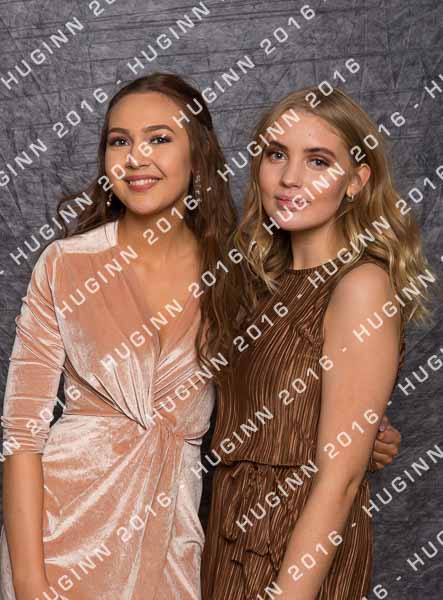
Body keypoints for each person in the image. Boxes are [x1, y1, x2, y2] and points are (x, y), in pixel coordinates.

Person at [0, 73, 402, 600]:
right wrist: (29, 582)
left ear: (198, 156)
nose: (137, 157)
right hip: (64, 535)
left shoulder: (235, 274)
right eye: (119, 141)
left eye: (159, 138)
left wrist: (363, 434)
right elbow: (21, 432)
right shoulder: (68, 264)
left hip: (180, 539)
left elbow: (294, 400)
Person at [201, 85, 433, 599]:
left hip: (298, 554)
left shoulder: (360, 286)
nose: (290, 178)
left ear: (356, 182)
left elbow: (340, 480)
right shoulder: (261, 284)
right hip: (231, 536)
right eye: (276, 154)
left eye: (319, 161)